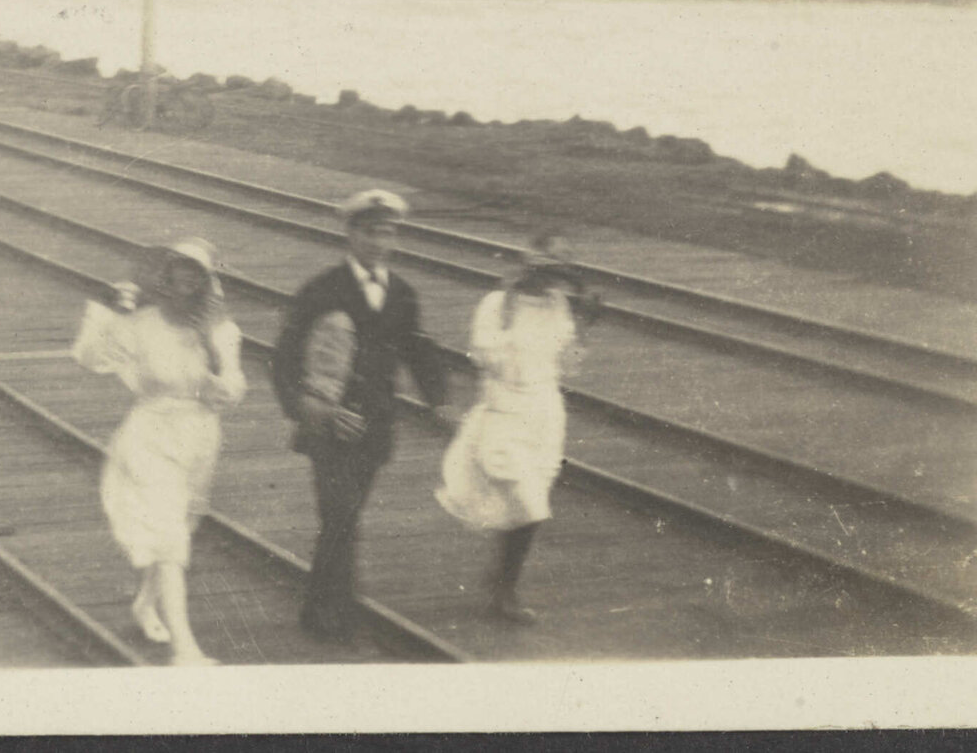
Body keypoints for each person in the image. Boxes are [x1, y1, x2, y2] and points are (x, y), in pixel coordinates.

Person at [270, 190, 451, 642]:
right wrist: (309, 408)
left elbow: (417, 348)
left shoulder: (401, 293)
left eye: (387, 233)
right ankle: (331, 614)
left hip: (375, 426)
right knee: (340, 515)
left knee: (345, 517)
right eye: (370, 233)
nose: (378, 243)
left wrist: (440, 400)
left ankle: (323, 606)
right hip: (328, 425)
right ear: (350, 234)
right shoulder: (321, 289)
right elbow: (284, 359)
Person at [72, 239, 245, 665]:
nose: (187, 277)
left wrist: (211, 352)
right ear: (165, 275)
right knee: (169, 535)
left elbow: (231, 392)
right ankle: (185, 650)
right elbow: (90, 359)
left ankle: (145, 604)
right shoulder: (140, 323)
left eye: (197, 271)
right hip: (150, 433)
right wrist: (104, 312)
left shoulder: (219, 330)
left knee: (180, 526)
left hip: (199, 436)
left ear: (207, 281)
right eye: (180, 268)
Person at [435, 246, 599, 624]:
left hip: (544, 417)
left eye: (558, 273)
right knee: (528, 504)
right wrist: (510, 321)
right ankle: (503, 586)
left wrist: (583, 328)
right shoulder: (496, 304)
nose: (551, 282)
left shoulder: (559, 306)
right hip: (503, 415)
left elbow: (568, 368)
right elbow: (484, 358)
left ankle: (503, 582)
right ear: (528, 268)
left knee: (531, 503)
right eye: (545, 270)